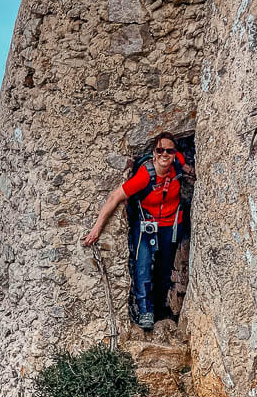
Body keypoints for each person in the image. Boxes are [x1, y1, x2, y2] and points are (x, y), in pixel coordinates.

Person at [82, 132, 194, 331]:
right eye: (160, 150)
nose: (165, 154)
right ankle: (145, 312)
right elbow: (114, 197)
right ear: (153, 153)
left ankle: (160, 309)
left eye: (169, 150)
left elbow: (186, 166)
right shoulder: (145, 175)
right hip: (146, 224)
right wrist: (96, 229)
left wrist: (187, 168)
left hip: (170, 225)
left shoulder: (177, 162)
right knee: (142, 267)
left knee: (164, 269)